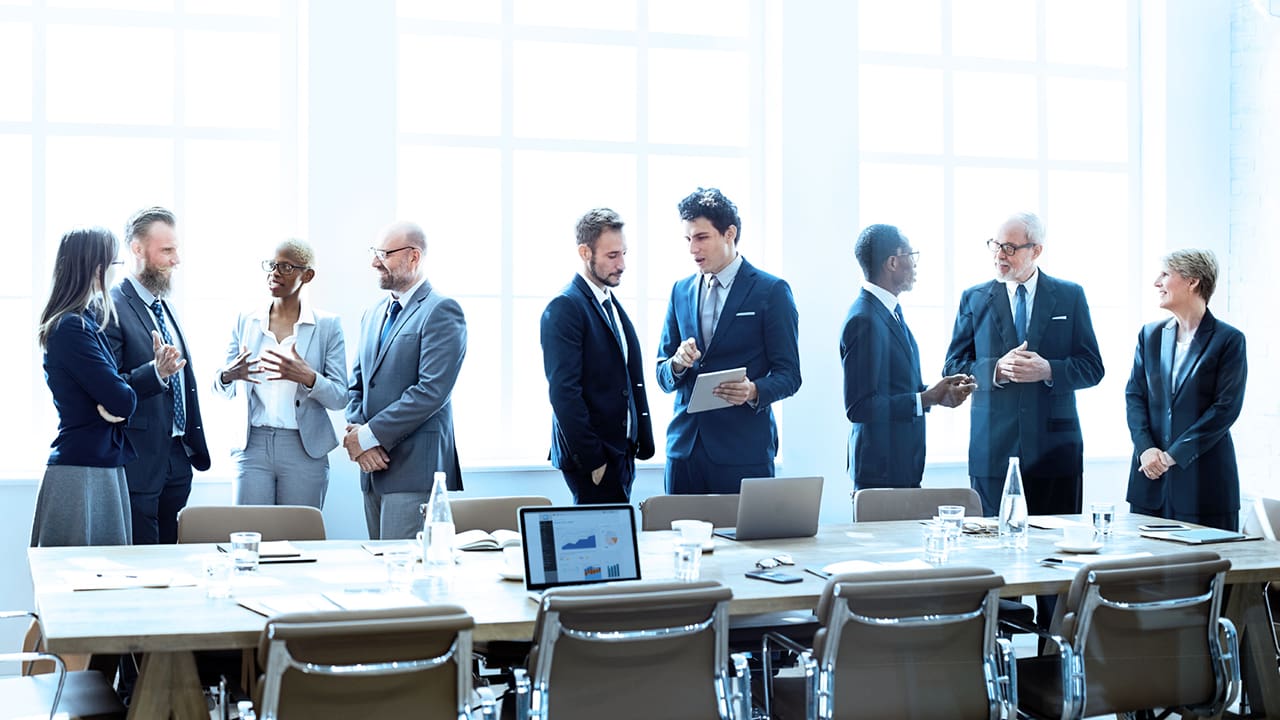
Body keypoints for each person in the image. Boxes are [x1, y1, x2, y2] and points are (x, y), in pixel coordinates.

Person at [943, 212, 1104, 518]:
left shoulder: (1070, 296)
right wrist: (996, 370)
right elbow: (953, 366)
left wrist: (1049, 371)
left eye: (1010, 248)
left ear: (1036, 250)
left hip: (1055, 452)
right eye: (995, 245)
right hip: (992, 450)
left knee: (1056, 554)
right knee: (991, 548)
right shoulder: (974, 298)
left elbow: (1092, 367)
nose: (999, 255)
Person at [656, 187, 801, 494]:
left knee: (745, 544)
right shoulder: (679, 291)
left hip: (743, 452)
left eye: (701, 237)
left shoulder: (771, 291)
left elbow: (790, 375)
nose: (693, 249)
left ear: (729, 233)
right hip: (684, 451)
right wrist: (678, 364)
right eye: (688, 239)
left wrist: (753, 391)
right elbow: (662, 374)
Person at [345, 222, 467, 540]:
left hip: (414, 470)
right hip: (372, 468)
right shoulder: (372, 314)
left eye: (383, 254)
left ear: (414, 257)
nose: (374, 262)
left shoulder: (442, 310)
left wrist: (368, 437)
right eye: (374, 253)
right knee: (377, 566)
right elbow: (356, 385)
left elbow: (431, 391)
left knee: (403, 575)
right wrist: (361, 442)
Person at [213, 239, 348, 509]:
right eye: (272, 265)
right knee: (250, 537)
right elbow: (220, 385)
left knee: (299, 538)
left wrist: (308, 377)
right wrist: (228, 375)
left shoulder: (327, 326)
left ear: (306, 275)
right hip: (252, 446)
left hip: (303, 447)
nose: (274, 272)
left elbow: (340, 398)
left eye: (285, 267)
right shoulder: (245, 320)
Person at [842, 224, 975, 489]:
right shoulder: (864, 319)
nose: (915, 265)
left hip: (900, 467)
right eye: (911, 256)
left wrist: (937, 395)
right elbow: (859, 407)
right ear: (892, 262)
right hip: (879, 473)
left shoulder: (888, 311)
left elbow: (894, 388)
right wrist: (926, 397)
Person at [106, 207, 210, 545]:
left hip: (179, 455)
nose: (176, 259)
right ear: (137, 249)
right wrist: (156, 373)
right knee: (143, 563)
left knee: (173, 560)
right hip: (139, 459)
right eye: (167, 250)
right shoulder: (112, 307)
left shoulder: (165, 306)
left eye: (175, 249)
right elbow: (110, 388)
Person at [1125, 250, 1246, 531]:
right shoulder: (1150, 335)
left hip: (1205, 487)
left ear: (1192, 281)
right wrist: (1145, 449)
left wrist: (1172, 455)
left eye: (1165, 275)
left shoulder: (1229, 340)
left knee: (1205, 572)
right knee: (1144, 570)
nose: (1157, 282)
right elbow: (1135, 396)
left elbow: (1225, 408)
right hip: (1150, 483)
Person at [31, 227, 137, 547]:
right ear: (96, 269)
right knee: (77, 581)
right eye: (114, 264)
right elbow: (122, 400)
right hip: (82, 472)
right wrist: (117, 400)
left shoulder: (84, 321)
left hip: (97, 464)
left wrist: (117, 397)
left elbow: (117, 397)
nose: (117, 273)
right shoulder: (71, 326)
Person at [541, 209, 655, 504]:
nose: (622, 264)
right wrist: (593, 460)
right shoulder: (566, 307)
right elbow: (564, 393)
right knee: (597, 546)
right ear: (584, 252)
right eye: (612, 255)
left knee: (617, 545)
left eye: (624, 254)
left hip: (621, 452)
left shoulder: (608, 301)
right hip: (595, 458)